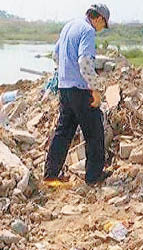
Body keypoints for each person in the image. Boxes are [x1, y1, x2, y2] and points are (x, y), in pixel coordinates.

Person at [43, 4, 111, 187]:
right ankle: (93, 177)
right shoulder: (87, 30)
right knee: (94, 131)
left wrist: (66, 73)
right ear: (98, 18)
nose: (101, 29)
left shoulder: (69, 26)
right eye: (103, 25)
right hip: (81, 89)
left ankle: (51, 175)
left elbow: (55, 55)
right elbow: (85, 62)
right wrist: (95, 88)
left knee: (63, 131)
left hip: (65, 88)